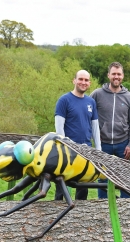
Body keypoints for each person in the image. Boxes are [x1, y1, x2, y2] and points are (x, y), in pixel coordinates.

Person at [90, 62, 130, 199]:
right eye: (114, 74)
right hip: (103, 144)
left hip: (123, 144)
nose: (116, 77)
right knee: (103, 178)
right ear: (108, 75)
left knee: (124, 178)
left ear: (122, 76)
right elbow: (87, 113)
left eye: (119, 74)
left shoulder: (129, 97)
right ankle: (103, 205)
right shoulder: (97, 94)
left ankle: (125, 204)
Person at [54, 69, 101, 201]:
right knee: (61, 185)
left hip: (86, 151)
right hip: (67, 152)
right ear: (74, 81)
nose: (83, 82)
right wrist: (65, 148)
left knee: (83, 187)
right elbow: (59, 127)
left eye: (86, 80)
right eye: (80, 79)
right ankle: (57, 210)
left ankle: (80, 215)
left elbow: (95, 127)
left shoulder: (90, 102)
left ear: (89, 83)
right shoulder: (64, 100)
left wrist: (98, 149)